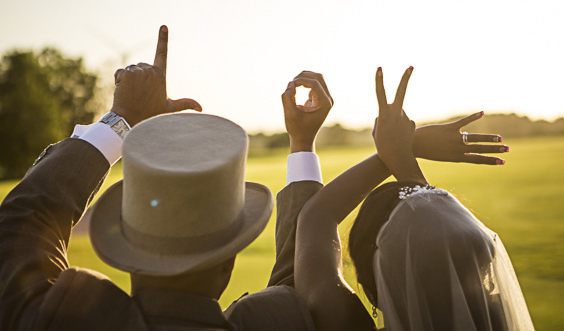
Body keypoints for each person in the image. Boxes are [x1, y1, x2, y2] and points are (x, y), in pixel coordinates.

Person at [0, 25, 315, 331]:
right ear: (227, 264)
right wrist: (302, 145)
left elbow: (22, 223)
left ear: (127, 255)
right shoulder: (282, 319)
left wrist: (121, 120)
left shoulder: (58, 320)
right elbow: (302, 284)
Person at [294, 67, 534, 330]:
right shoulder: (497, 321)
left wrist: (408, 149)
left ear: (370, 284)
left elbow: (315, 217)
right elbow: (441, 239)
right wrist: (403, 156)